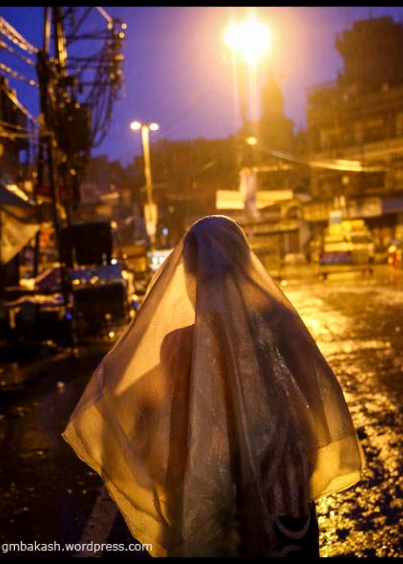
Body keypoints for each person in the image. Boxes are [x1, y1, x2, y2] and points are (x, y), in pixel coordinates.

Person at [62, 215, 365, 557]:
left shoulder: (179, 347)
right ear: (245, 261)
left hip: (215, 505)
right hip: (285, 497)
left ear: (189, 275)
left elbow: (172, 436)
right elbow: (313, 406)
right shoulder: (281, 326)